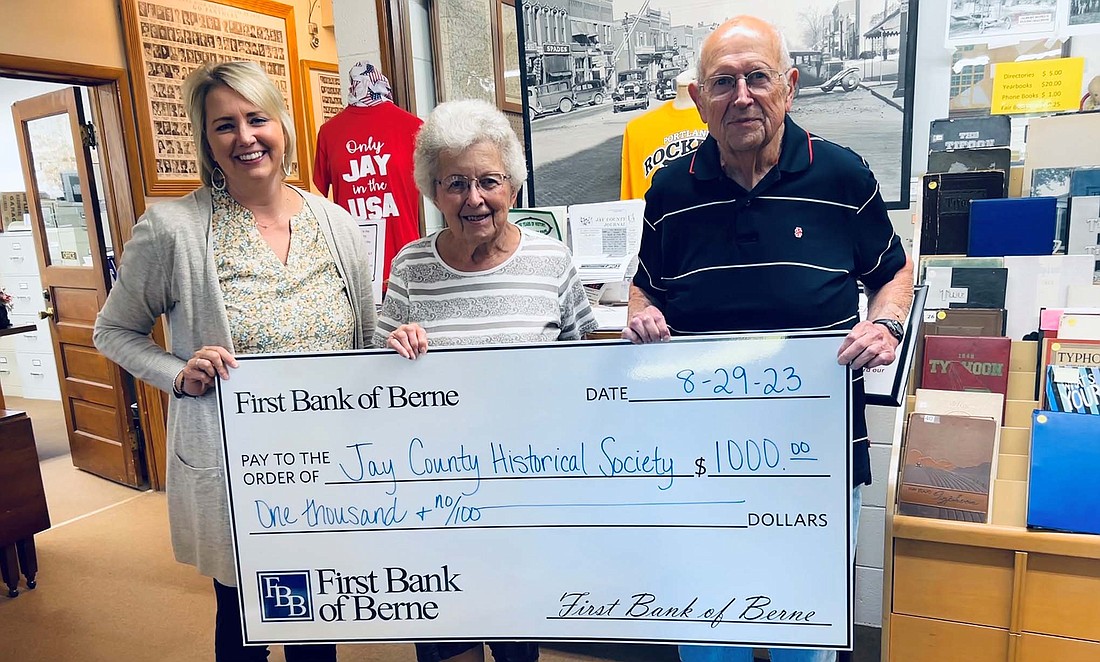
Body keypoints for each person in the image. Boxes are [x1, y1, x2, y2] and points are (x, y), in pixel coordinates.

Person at [622, 16, 914, 662]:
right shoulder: (669, 193)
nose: (742, 96)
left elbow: (893, 270)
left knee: (803, 643)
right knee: (706, 636)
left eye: (757, 77)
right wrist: (641, 314)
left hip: (818, 465)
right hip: (700, 470)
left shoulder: (842, 176)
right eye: (723, 82)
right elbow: (646, 286)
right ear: (698, 100)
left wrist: (887, 321)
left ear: (789, 86)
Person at [93, 61, 377, 662]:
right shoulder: (173, 228)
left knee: (314, 617)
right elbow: (114, 330)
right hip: (235, 468)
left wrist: (399, 349)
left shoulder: (341, 226)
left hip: (329, 461)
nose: (244, 137)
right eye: (224, 125)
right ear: (207, 142)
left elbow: (367, 341)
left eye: (256, 118)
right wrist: (177, 371)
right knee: (243, 619)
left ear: (282, 126)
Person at [374, 99, 597, 662]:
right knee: (448, 649)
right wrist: (392, 352)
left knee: (517, 648)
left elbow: (587, 369)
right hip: (434, 505)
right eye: (455, 183)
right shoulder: (410, 267)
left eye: (488, 181)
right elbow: (372, 381)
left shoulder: (552, 261)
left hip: (523, 502)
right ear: (432, 191)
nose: (473, 198)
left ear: (513, 186)